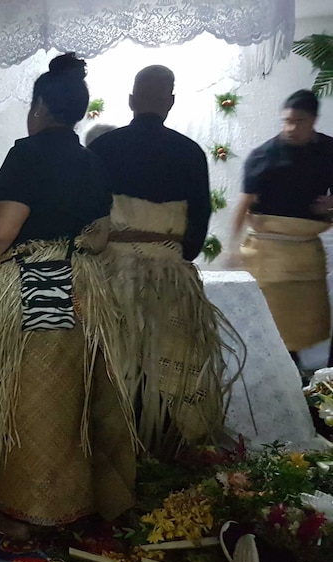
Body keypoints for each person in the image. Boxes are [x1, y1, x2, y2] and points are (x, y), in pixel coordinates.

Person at [0, 54, 136, 539]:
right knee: (71, 393)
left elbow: (2, 229)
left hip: (40, 281)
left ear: (39, 106)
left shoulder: (28, 154)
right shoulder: (90, 160)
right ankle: (76, 499)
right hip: (82, 283)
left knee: (34, 395)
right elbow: (100, 229)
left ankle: (30, 511)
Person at [88, 65, 236, 456]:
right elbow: (197, 230)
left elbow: (87, 214)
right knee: (174, 368)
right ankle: (169, 450)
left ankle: (112, 448)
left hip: (110, 275)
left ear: (132, 100)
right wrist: (171, 255)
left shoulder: (103, 148)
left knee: (111, 364)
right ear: (170, 102)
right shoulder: (190, 152)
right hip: (171, 278)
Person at [230, 89, 333, 369]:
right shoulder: (264, 155)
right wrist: (232, 249)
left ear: (313, 120)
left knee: (302, 329)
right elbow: (244, 204)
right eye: (286, 121)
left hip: (306, 253)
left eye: (298, 121)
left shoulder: (329, 151)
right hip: (267, 253)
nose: (290, 128)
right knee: (267, 328)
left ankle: (299, 381)